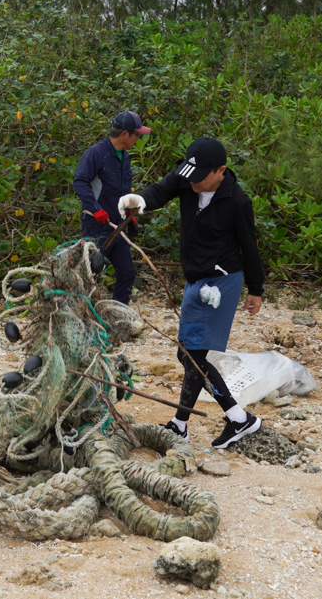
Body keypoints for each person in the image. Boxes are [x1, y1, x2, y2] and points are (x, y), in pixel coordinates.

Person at [118, 137, 265, 449]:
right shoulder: (188, 178)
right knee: (188, 353)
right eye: (190, 175)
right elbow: (160, 191)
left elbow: (250, 248)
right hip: (195, 280)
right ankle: (207, 422)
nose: (192, 182)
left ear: (220, 171)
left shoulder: (237, 202)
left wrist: (256, 290)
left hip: (222, 282)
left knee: (194, 355)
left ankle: (231, 421)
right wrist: (137, 200)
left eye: (200, 177)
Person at [72, 111, 151, 304]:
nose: (138, 138)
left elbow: (123, 191)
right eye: (137, 134)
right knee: (91, 274)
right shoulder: (96, 153)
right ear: (125, 134)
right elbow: (80, 181)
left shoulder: (125, 157)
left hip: (118, 225)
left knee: (127, 273)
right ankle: (84, 316)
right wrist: (95, 208)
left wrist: (129, 215)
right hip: (97, 225)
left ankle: (118, 316)